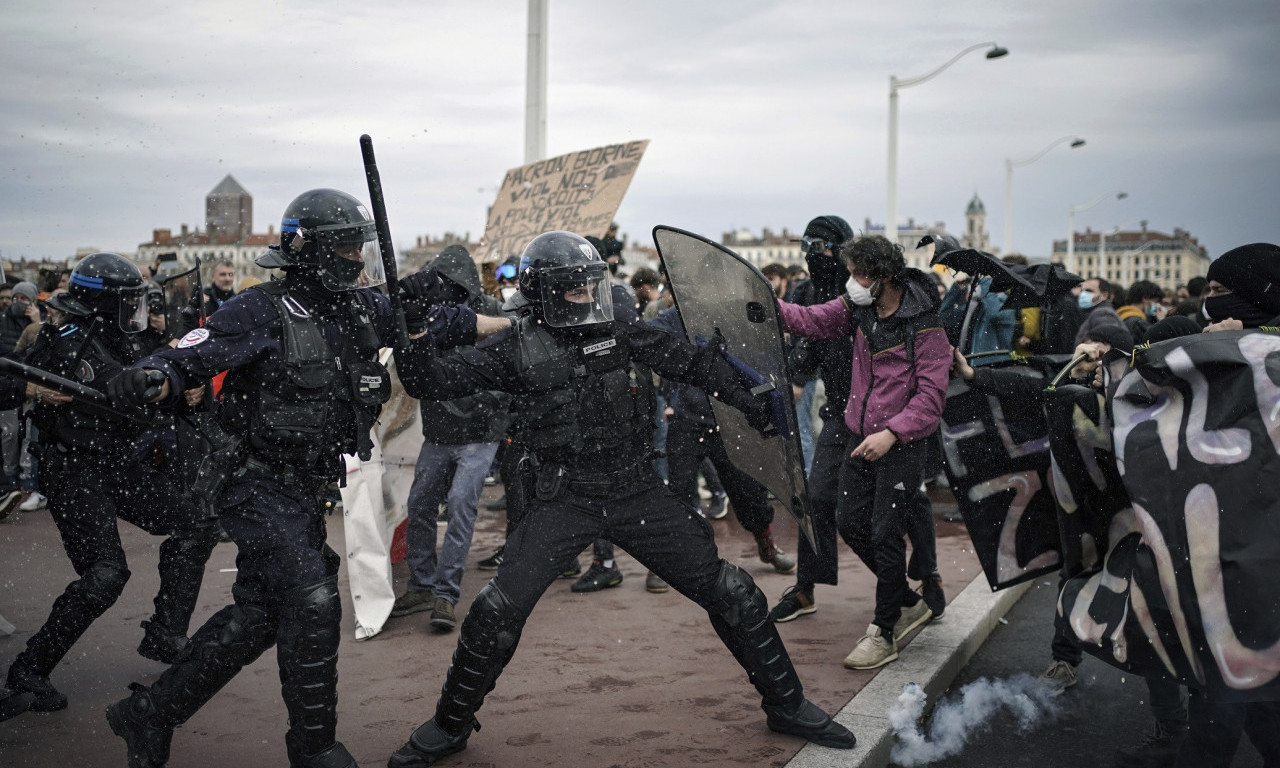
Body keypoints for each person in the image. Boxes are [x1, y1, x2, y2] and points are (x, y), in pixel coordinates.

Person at [386, 231, 855, 766]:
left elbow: (693, 363)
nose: (588, 298)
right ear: (543, 294)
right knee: (494, 613)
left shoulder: (622, 330)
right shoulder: (512, 347)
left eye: (592, 286)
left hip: (634, 489)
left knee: (734, 593)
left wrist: (751, 395)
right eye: (573, 290)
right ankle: (450, 725)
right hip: (562, 499)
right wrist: (415, 327)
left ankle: (787, 703)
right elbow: (430, 381)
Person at [102, 188, 496, 768]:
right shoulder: (259, 309)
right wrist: (150, 376)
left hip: (308, 487)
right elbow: (184, 357)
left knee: (261, 614)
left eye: (360, 247)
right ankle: (315, 750)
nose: (357, 260)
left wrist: (520, 322)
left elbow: (448, 320)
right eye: (344, 248)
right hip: (252, 481)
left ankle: (150, 713)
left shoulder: (364, 309)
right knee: (313, 598)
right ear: (307, 250)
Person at [3, 253, 221, 718]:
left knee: (195, 527)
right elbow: (7, 379)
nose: (138, 309)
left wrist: (188, 391)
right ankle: (28, 671)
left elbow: (156, 396)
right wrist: (32, 390)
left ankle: (166, 633)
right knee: (105, 576)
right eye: (129, 301)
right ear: (105, 304)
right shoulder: (62, 343)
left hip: (121, 464)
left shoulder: (133, 342)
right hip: (73, 470)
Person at [775, 234, 949, 670]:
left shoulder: (925, 323)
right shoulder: (860, 308)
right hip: (860, 435)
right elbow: (812, 320)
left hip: (901, 445)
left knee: (885, 533)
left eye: (858, 274)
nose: (850, 282)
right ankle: (907, 600)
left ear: (884, 276)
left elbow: (930, 398)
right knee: (849, 521)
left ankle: (883, 630)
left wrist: (892, 433)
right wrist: (766, 307)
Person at [390, 245, 511, 632]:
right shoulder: (431, 315)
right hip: (442, 430)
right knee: (421, 504)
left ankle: (445, 594)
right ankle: (425, 586)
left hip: (477, 431)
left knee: (460, 506)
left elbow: (502, 372)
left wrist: (480, 404)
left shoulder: (486, 311)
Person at [649, 304, 796, 576]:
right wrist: (670, 393)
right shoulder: (674, 314)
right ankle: (672, 556)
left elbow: (755, 354)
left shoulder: (726, 313)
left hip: (727, 419)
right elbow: (652, 340)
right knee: (679, 492)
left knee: (748, 491)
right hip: (685, 419)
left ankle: (767, 543)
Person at [1073, 276, 1125, 345]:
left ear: (1104, 295)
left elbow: (1103, 347)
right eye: (1082, 291)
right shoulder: (1095, 312)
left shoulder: (1103, 314)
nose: (1083, 294)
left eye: (1089, 291)